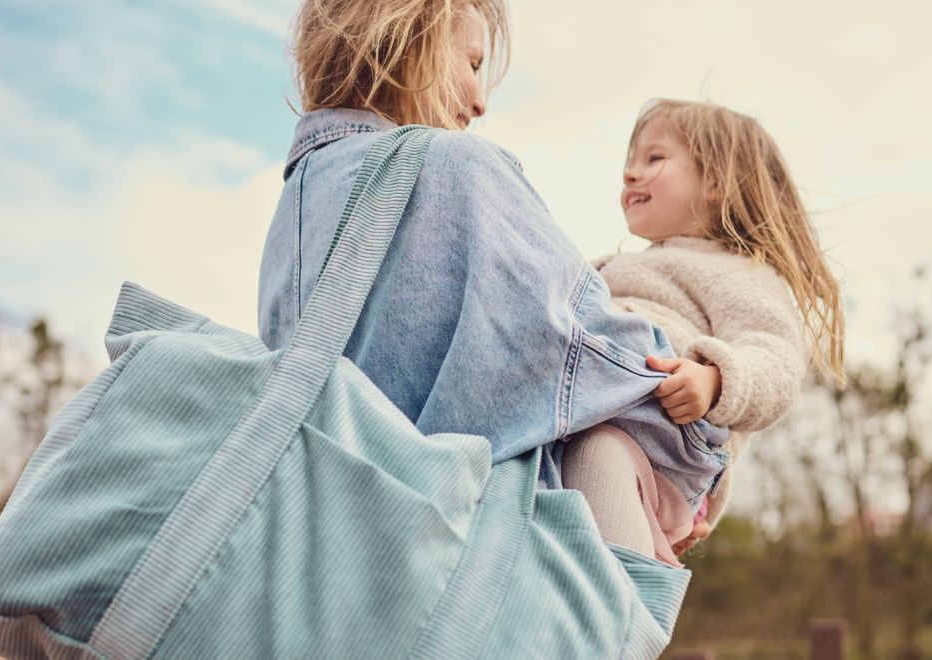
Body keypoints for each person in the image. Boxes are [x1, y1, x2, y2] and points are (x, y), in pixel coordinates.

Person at [258, 1, 726, 653]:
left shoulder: (295, 207)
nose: (480, 102)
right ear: (406, 38)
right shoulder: (456, 170)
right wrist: (702, 445)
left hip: (327, 591)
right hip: (475, 593)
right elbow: (591, 350)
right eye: (473, 64)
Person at [565, 99, 846, 560]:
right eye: (629, 164)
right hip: (586, 414)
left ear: (716, 181)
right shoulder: (614, 266)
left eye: (653, 159)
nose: (630, 175)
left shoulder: (739, 271)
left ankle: (626, 620)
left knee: (598, 459)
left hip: (661, 436)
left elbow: (775, 357)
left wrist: (714, 379)